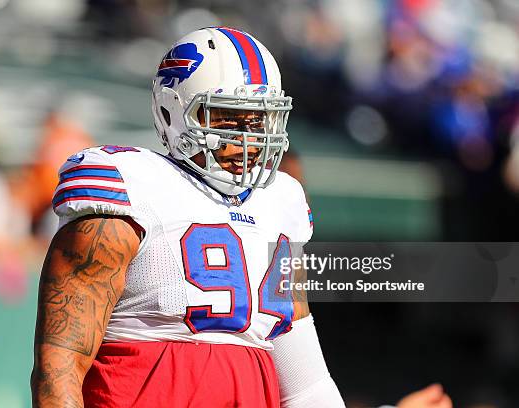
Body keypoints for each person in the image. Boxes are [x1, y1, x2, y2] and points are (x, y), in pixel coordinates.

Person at [31, 27, 451, 408]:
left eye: (260, 119)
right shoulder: (131, 187)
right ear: (171, 112)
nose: (247, 138)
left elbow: (305, 388)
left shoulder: (279, 203)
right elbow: (59, 367)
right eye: (228, 117)